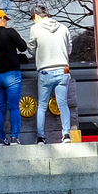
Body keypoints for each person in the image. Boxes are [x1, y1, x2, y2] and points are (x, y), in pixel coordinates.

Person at [0, 9, 30, 147]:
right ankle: (14, 138)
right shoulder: (10, 33)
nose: (6, 22)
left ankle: (0, 139)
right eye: (5, 19)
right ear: (0, 20)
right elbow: (23, 47)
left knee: (0, 108)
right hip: (11, 75)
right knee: (14, 107)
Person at [29, 8, 77, 143]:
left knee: (42, 106)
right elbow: (69, 50)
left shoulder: (35, 29)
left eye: (33, 18)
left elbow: (31, 49)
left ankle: (40, 137)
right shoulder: (64, 28)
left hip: (45, 71)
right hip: (63, 70)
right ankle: (66, 134)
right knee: (63, 104)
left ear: (37, 16)